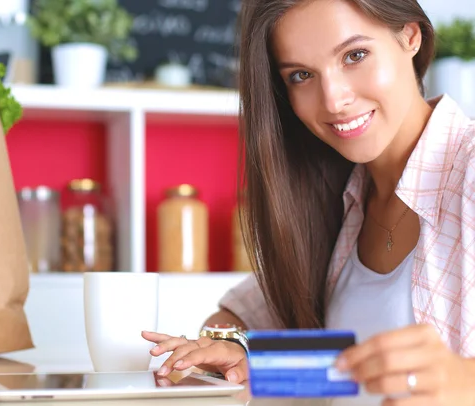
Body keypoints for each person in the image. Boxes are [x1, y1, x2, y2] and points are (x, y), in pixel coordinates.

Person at [142, 0, 475, 403]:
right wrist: (236, 349)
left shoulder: (468, 171)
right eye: (301, 75)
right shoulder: (334, 196)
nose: (333, 100)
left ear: (410, 36)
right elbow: (244, 315)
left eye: (355, 55)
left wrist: (462, 381)